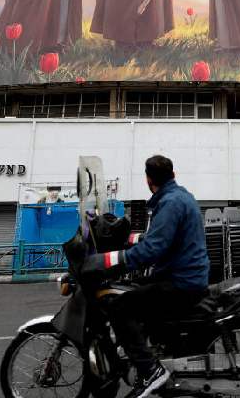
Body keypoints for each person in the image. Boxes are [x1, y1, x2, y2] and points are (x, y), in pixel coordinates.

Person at [82, 155, 209, 398]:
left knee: (121, 307)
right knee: (132, 289)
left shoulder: (170, 203)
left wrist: (107, 261)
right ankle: (154, 354)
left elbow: (153, 249)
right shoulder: (180, 196)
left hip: (181, 282)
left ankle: (151, 371)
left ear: (149, 180)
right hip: (182, 274)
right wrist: (125, 240)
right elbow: (159, 238)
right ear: (173, 174)